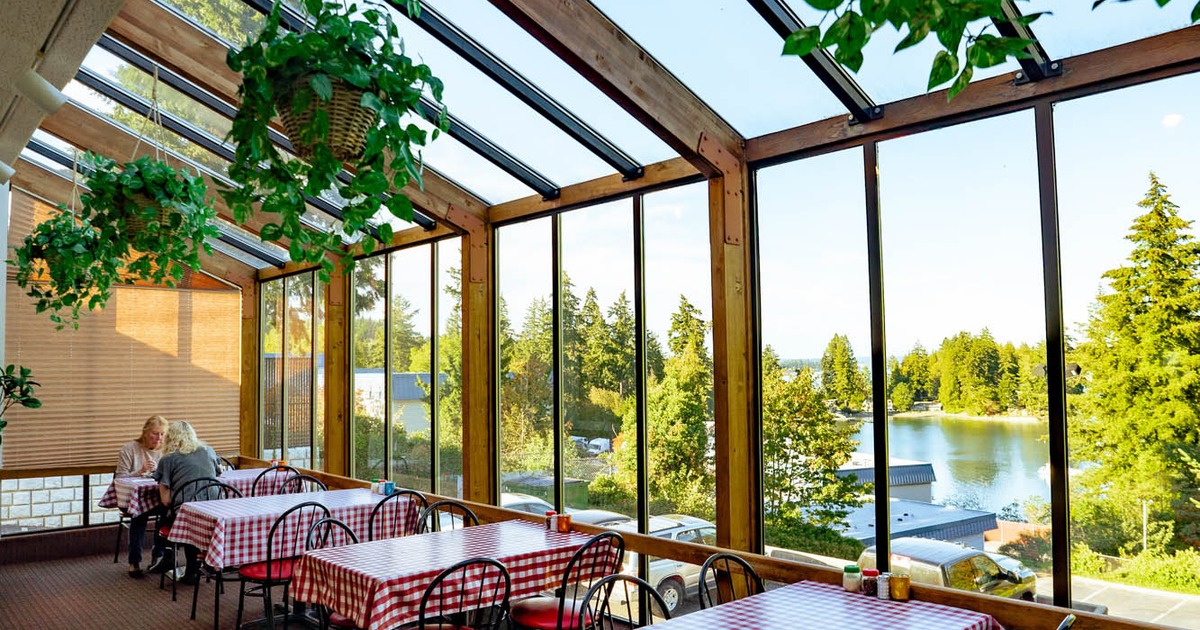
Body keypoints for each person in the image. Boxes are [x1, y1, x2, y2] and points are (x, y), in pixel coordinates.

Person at [147, 420, 221, 585]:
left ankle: (171, 558)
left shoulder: (168, 460)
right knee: (185, 515)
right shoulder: (208, 451)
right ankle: (205, 563)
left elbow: (166, 500)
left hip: (189, 513)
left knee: (167, 516)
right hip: (215, 508)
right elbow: (218, 475)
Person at [116, 415, 168, 578]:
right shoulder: (130, 449)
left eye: (162, 434)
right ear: (145, 432)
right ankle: (134, 561)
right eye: (155, 433)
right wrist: (140, 471)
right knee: (139, 515)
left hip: (158, 497)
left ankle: (158, 555)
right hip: (133, 499)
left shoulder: (166, 451)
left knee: (169, 511)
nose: (159, 438)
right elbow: (120, 479)